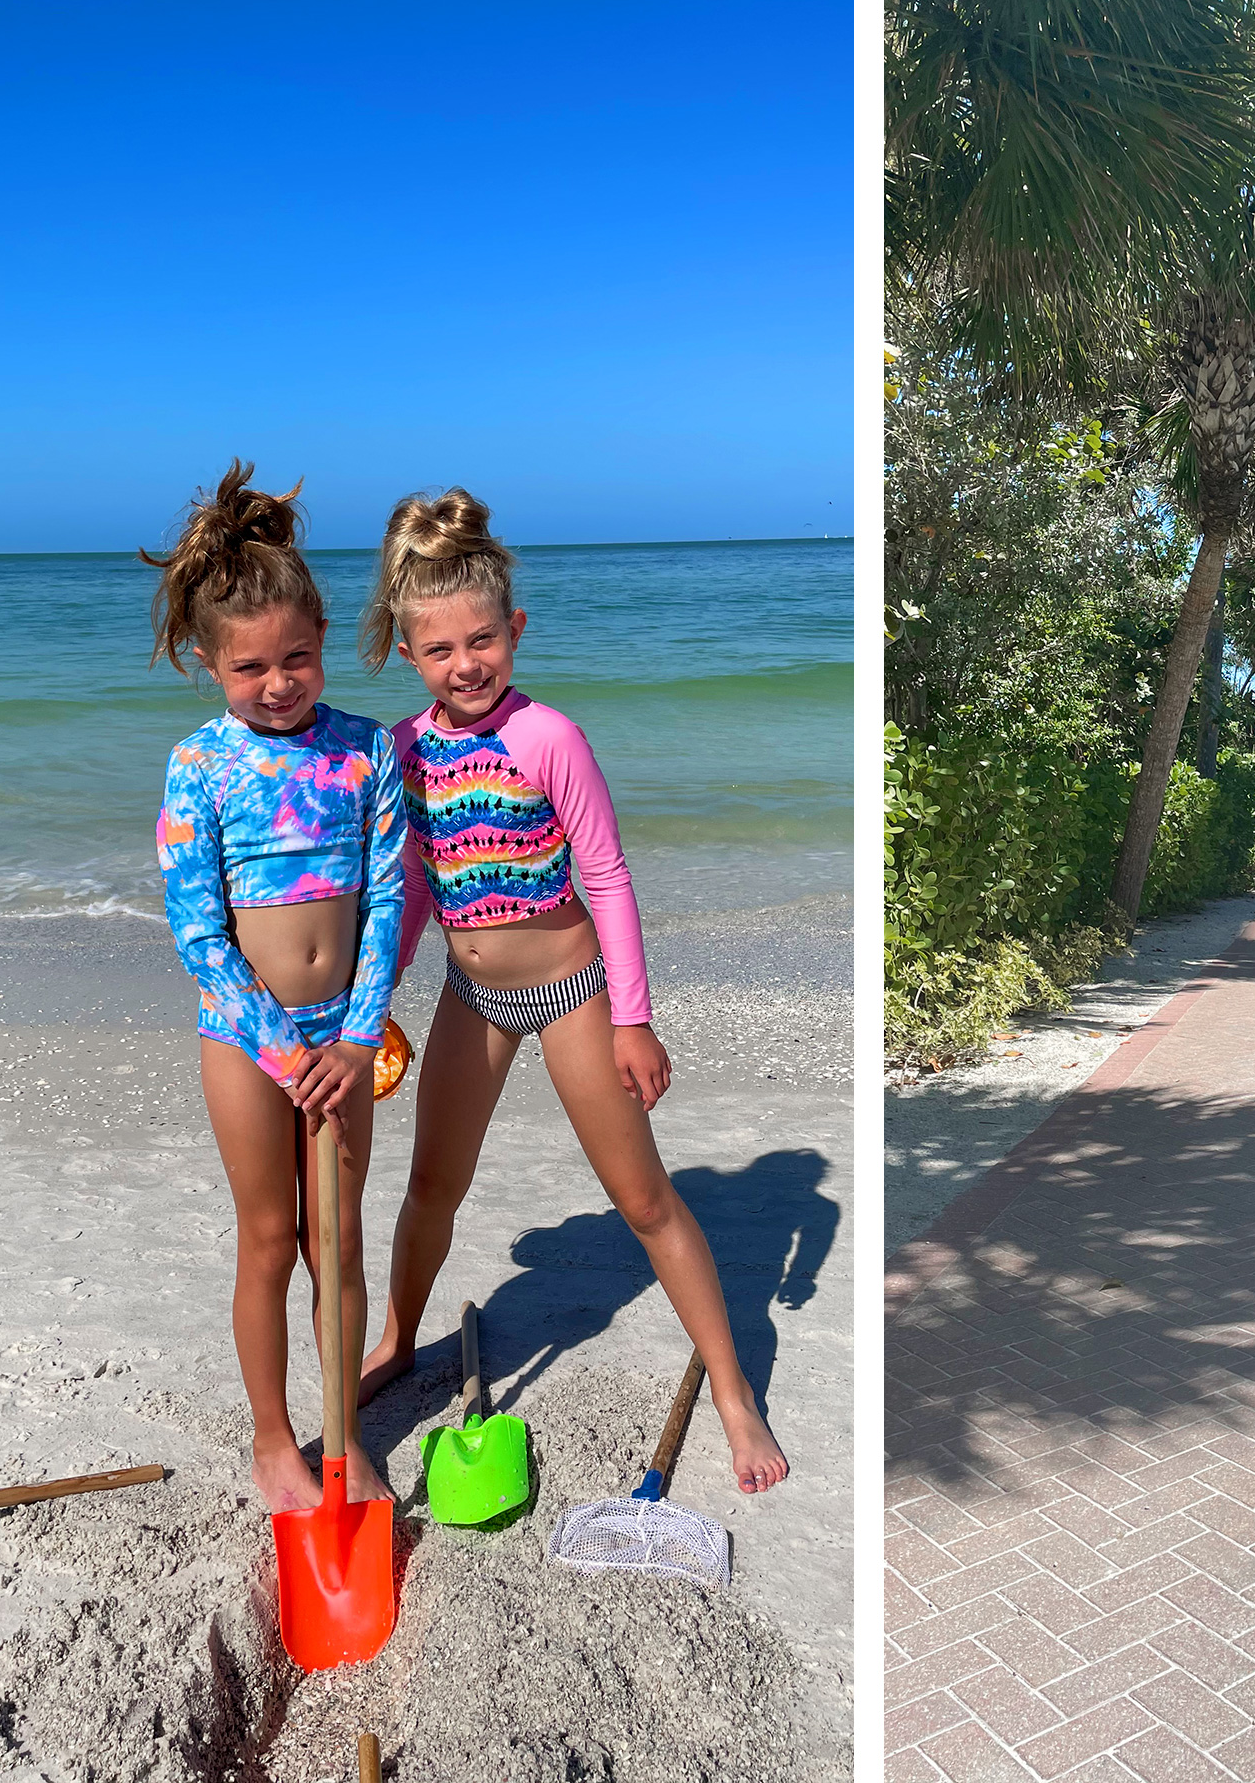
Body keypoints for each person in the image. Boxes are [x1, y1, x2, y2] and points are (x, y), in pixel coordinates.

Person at [354, 491, 788, 1493]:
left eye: (481, 640)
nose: (465, 665)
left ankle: (731, 1393)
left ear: (515, 630)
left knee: (641, 1199)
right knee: (431, 1186)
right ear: (406, 651)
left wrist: (632, 1017)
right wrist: (375, 996)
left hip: (575, 991)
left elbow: (608, 875)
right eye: (439, 649)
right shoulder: (405, 751)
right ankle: (398, 1339)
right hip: (471, 999)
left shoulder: (550, 737)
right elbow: (417, 885)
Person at [146, 462, 406, 1513]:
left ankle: (344, 1435)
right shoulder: (198, 766)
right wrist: (283, 1047)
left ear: (324, 640)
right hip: (247, 1044)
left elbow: (387, 899)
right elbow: (195, 927)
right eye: (251, 667)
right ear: (210, 661)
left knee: (334, 1241)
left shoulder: (367, 751)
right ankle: (271, 1440)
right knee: (267, 1237)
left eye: (297, 658)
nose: (279, 683)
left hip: (341, 1043)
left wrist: (350, 1037)